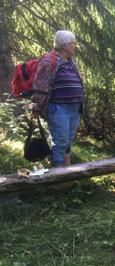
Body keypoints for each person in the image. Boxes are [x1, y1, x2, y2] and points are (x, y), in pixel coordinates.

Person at [30, 30, 83, 167]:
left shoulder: (71, 61)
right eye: (73, 43)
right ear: (65, 45)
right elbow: (40, 85)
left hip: (75, 107)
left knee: (68, 141)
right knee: (60, 142)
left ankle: (67, 172)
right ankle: (57, 178)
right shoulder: (48, 61)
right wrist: (36, 107)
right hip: (58, 108)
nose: (75, 46)